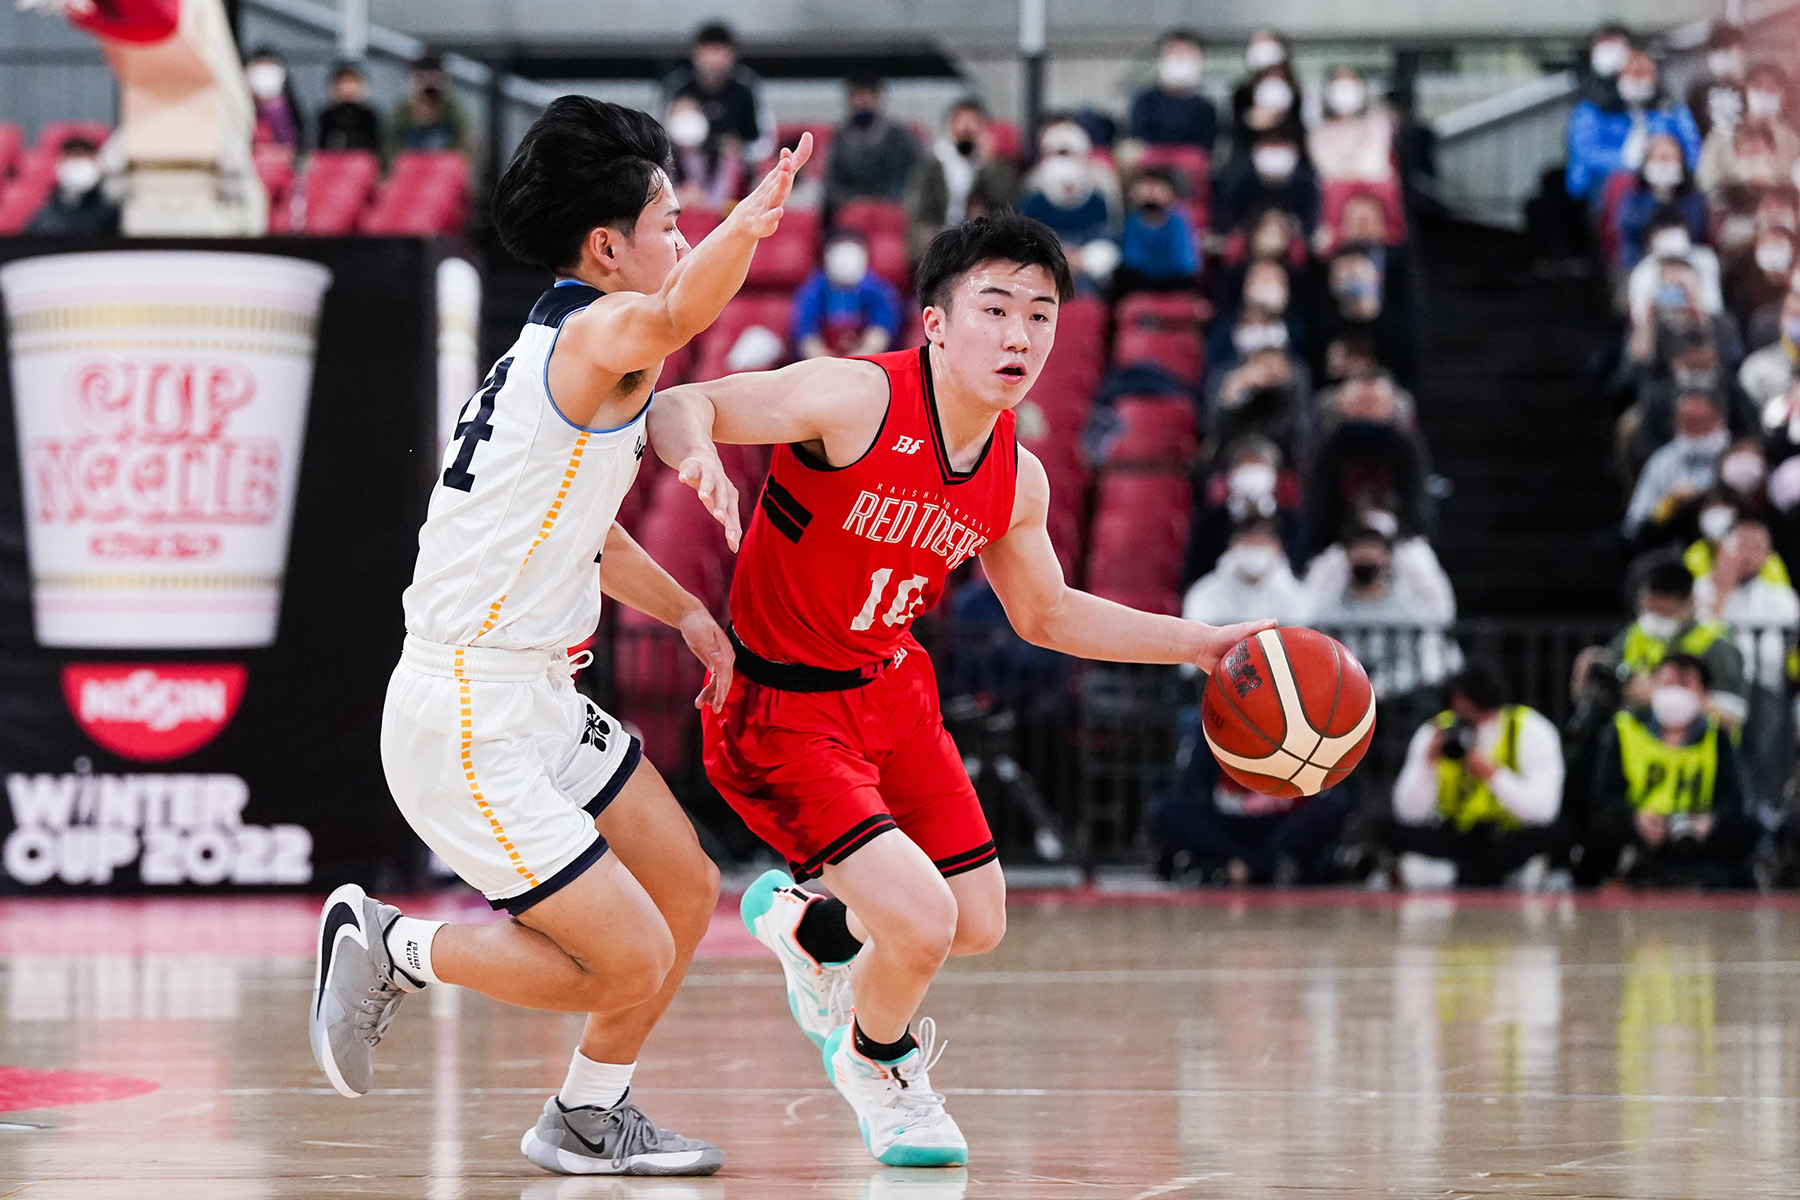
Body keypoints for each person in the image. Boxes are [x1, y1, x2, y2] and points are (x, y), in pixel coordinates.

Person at [646, 212, 1272, 1167]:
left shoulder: (1018, 478)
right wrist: (694, 449)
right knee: (924, 921)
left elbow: (1048, 615)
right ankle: (877, 1063)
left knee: (976, 923)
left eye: (1041, 315)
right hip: (783, 708)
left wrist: (1197, 645)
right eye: (996, 309)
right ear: (935, 323)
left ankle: (816, 931)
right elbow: (683, 402)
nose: (1021, 335)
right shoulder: (855, 398)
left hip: (894, 694)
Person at [307, 97, 815, 1177]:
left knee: (684, 892)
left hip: (534, 694)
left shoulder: (572, 354)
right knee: (626, 959)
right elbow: (677, 312)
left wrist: (685, 611)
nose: (683, 237)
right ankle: (393, 945)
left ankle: (587, 1115)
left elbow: (588, 533)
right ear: (606, 247)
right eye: (670, 222)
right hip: (468, 710)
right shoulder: (592, 335)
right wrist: (753, 223)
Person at [1385, 665, 1566, 889]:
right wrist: (1427, 762)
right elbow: (1408, 814)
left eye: (1477, 716)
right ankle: (1479, 875)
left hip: (1506, 836)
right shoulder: (1436, 731)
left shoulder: (1531, 729)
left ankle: (1460, 875)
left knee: (1554, 834)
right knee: (1392, 832)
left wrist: (1492, 774)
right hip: (1457, 835)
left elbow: (1544, 811)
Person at [1590, 654, 1758, 885]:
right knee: (1602, 827)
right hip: (1642, 831)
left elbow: (1732, 801)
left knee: (1747, 830)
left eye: (1685, 684)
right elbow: (1605, 797)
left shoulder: (1717, 736)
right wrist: (1636, 819)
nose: (1675, 692)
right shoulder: (1626, 728)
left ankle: (1680, 874)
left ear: (1704, 693)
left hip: (1693, 834)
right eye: (1668, 683)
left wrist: (1709, 821)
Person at [1583, 560, 1749, 729]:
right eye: (1650, 611)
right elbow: (1599, 690)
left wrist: (1660, 697)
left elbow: (1732, 717)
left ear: (1690, 604)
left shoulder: (1717, 645)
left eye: (1665, 614)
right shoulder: (1634, 634)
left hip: (1694, 744)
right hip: (1634, 741)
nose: (1655, 621)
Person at [1308, 524, 1457, 699]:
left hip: (1393, 703)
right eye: (1358, 549)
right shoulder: (1326, 615)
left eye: (1372, 549)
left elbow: (1410, 665)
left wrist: (1378, 687)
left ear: (1387, 557)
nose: (1364, 555)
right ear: (1346, 557)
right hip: (1340, 699)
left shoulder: (1406, 615)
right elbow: (1320, 662)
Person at [1565, 48, 1700, 206]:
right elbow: (1585, 156)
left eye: (1646, 74)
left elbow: (1692, 151)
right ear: (1618, 76)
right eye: (1633, 73)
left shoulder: (1671, 110)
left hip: (1665, 192)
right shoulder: (1592, 111)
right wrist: (1624, 160)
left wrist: (1670, 165)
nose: (1640, 80)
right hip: (1603, 194)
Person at [908, 97, 1021, 259]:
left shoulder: (998, 167)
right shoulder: (930, 168)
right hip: (940, 241)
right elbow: (919, 215)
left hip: (984, 243)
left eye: (974, 122)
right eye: (960, 121)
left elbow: (1006, 206)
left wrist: (987, 162)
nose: (966, 128)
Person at [1623, 389, 1731, 543]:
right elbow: (1634, 525)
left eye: (1703, 421)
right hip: (1677, 542)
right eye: (1690, 423)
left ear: (1720, 419)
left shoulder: (1740, 455)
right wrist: (1669, 503)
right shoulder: (1662, 462)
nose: (1697, 430)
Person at [661, 21, 774, 164]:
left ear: (732, 55)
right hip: (683, 166)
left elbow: (765, 143)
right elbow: (654, 137)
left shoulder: (747, 86)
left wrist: (741, 150)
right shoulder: (677, 86)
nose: (714, 60)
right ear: (696, 54)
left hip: (736, 168)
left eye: (720, 52)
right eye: (708, 52)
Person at [1181, 517, 1312, 627]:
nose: (1254, 548)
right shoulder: (1204, 594)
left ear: (1279, 547)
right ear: (1230, 546)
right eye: (1247, 540)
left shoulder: (1298, 597)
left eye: (1261, 540)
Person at [792, 230, 902, 358]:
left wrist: (854, 362)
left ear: (865, 257)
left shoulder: (880, 291)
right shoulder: (811, 291)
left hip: (866, 362)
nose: (845, 263)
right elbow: (807, 338)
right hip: (822, 363)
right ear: (826, 257)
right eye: (839, 256)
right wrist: (828, 364)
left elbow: (880, 335)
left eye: (851, 256)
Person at [824, 75, 918, 213]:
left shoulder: (898, 134)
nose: (863, 101)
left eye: (868, 95)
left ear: (878, 98)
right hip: (850, 208)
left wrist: (890, 201)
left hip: (891, 207)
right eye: (858, 95)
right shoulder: (840, 136)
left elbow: (913, 173)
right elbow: (832, 180)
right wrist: (850, 202)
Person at [1614, 134, 1708, 269]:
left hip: (1686, 263)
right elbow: (1630, 230)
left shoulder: (1694, 197)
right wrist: (1657, 198)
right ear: (1646, 163)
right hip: (1639, 261)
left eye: (1670, 158)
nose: (1664, 165)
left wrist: (1669, 198)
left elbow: (1695, 230)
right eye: (1659, 158)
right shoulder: (1633, 197)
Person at [1214, 129, 1320, 235]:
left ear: (1294, 151)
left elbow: (1311, 221)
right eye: (1271, 147)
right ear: (1256, 150)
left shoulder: (1306, 184)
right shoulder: (1237, 182)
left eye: (1279, 148)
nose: (1275, 156)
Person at [1128, 29, 1218, 152]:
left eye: (1187, 53)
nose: (1180, 59)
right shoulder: (1144, 102)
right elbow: (1139, 142)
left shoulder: (1205, 108)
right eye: (1173, 53)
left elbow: (1205, 148)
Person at [1115, 165, 1200, 293]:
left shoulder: (1177, 221)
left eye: (1157, 187)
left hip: (1173, 283)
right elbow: (1131, 260)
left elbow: (1185, 264)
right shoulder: (1132, 222)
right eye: (1146, 187)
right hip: (1140, 283)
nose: (1151, 193)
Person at [1308, 67, 1396, 184]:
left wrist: (1348, 173)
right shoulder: (1318, 132)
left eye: (1350, 85)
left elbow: (1372, 163)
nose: (1345, 91)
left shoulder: (1378, 122)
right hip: (1336, 192)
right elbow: (1328, 168)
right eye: (1339, 86)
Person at [25, 136, 118, 236]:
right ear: (60, 164)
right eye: (72, 156)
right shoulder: (43, 215)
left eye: (83, 156)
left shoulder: (110, 211)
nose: (78, 163)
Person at [664, 95, 744, 210]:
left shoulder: (723, 156)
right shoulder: (661, 160)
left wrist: (700, 199)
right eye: (680, 115)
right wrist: (683, 197)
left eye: (691, 114)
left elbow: (723, 195)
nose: (686, 121)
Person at [388, 54, 473, 156]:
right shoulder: (402, 111)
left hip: (444, 162)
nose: (428, 84)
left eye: (433, 78)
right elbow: (390, 145)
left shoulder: (453, 110)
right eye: (422, 78)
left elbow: (464, 145)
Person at [1686, 22, 1747, 140]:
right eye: (1717, 52)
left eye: (1729, 51)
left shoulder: (1751, 91)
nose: (1724, 57)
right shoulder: (1699, 92)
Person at [317, 61, 380, 153]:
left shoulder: (369, 116)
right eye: (343, 82)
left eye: (352, 82)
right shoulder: (326, 116)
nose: (347, 88)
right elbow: (320, 149)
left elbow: (376, 150)